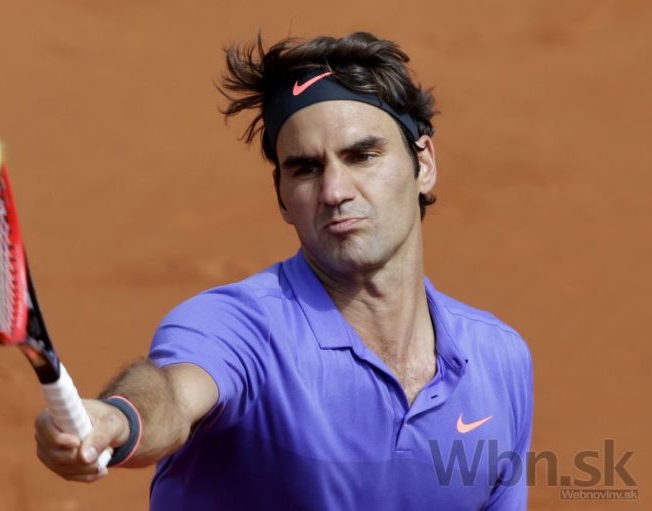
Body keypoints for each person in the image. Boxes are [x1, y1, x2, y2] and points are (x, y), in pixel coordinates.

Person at [35, 32, 533, 510]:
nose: (335, 191)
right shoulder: (240, 326)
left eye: (362, 156)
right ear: (281, 195)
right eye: (306, 168)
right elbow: (171, 392)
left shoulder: (500, 360)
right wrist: (122, 419)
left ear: (423, 165)